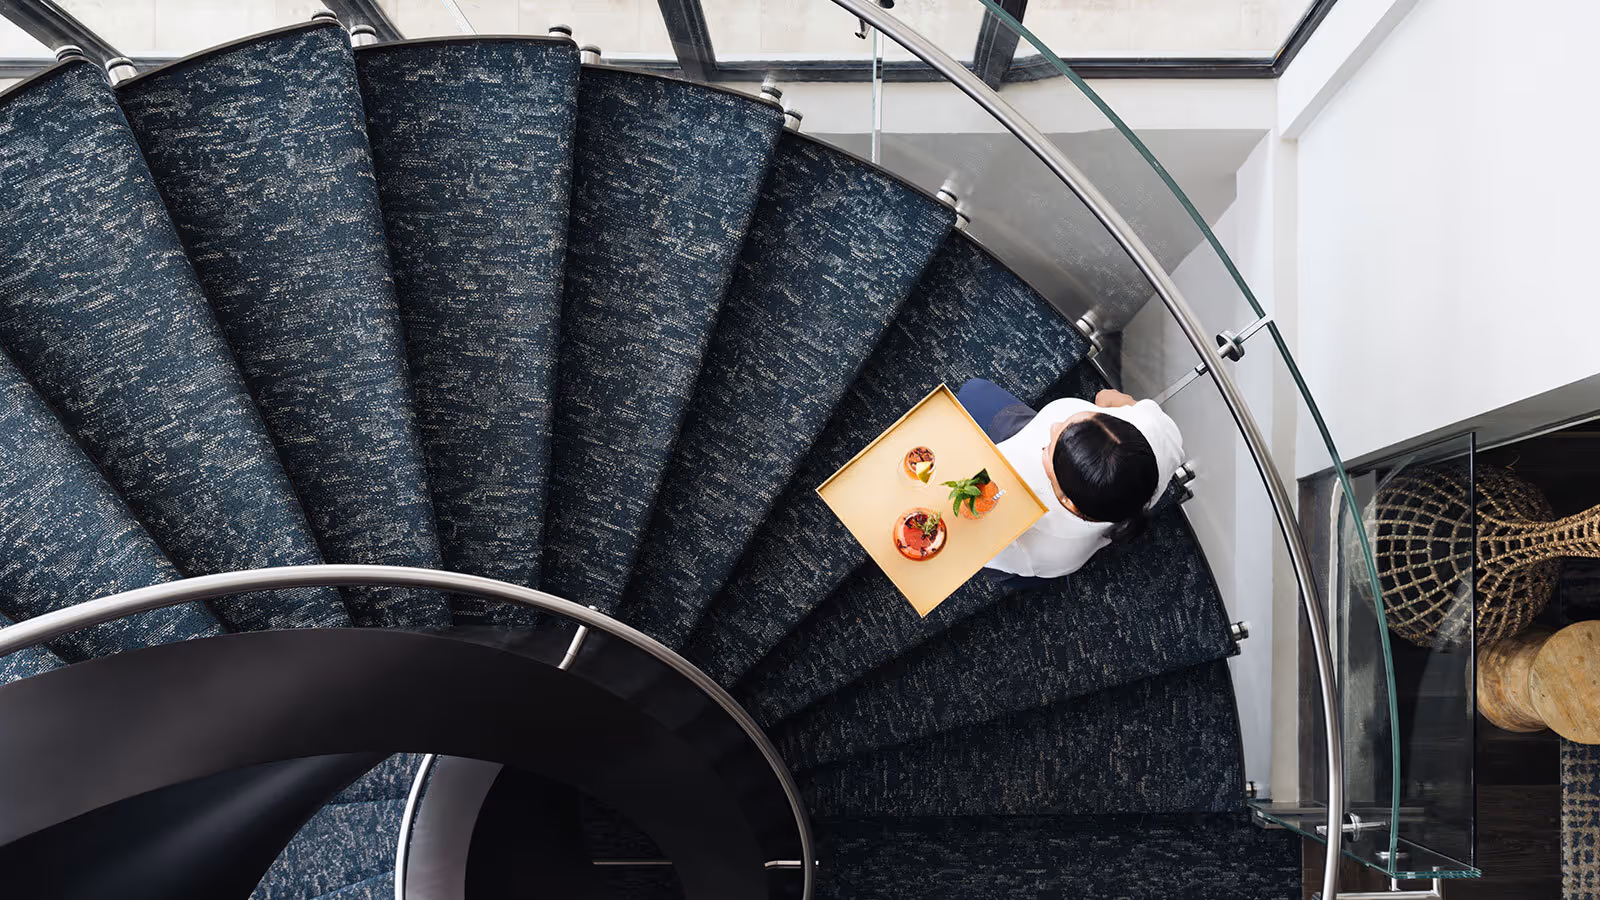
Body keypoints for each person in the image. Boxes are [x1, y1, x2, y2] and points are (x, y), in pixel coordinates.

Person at [955, 377, 1184, 581]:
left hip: (1009, 535)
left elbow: (971, 549)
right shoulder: (1159, 433)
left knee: (972, 393)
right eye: (1094, 419)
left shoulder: (1038, 549)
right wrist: (1114, 402)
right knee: (975, 392)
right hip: (1022, 434)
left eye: (1048, 447)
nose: (1053, 426)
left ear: (1067, 501)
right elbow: (1118, 401)